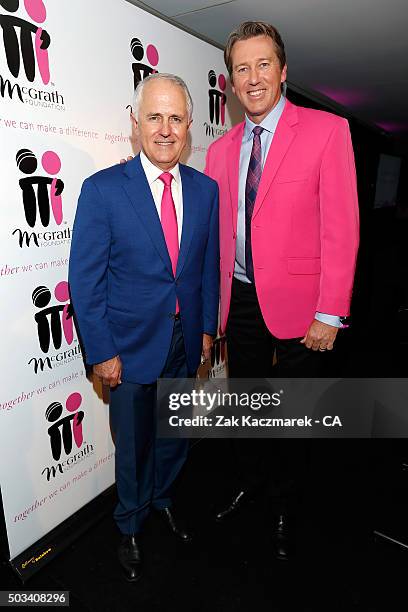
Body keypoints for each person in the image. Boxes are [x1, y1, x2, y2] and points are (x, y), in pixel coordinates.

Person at [204, 21, 359, 559]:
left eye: (262, 64)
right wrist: (214, 312)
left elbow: (341, 229)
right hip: (241, 299)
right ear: (230, 79)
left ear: (283, 70)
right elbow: (219, 242)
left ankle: (286, 503)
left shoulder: (327, 130)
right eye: (241, 68)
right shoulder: (220, 152)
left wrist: (331, 312)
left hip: (304, 306)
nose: (252, 78)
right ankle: (251, 481)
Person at [69, 73, 219, 582]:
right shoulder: (103, 190)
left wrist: (206, 331)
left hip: (185, 339)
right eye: (154, 117)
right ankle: (129, 523)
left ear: (189, 126)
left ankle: (162, 498)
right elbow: (85, 282)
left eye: (175, 118)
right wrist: (101, 351)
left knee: (175, 433)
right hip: (128, 349)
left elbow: (205, 268)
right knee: (132, 444)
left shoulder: (206, 191)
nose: (164, 129)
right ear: (135, 124)